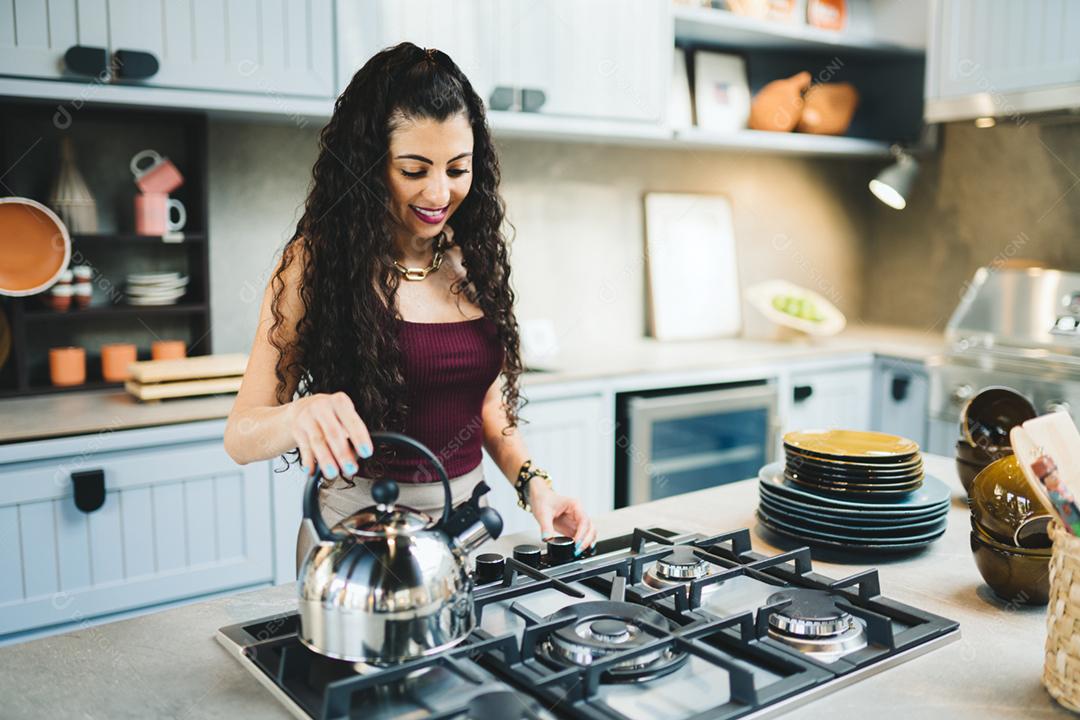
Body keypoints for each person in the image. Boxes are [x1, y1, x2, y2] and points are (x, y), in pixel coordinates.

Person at [222, 42, 597, 573]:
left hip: (469, 532)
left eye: (458, 168)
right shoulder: (316, 264)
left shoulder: (473, 258)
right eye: (415, 169)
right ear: (370, 166)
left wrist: (535, 486)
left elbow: (486, 410)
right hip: (360, 544)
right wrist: (299, 413)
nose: (440, 192)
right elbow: (240, 435)